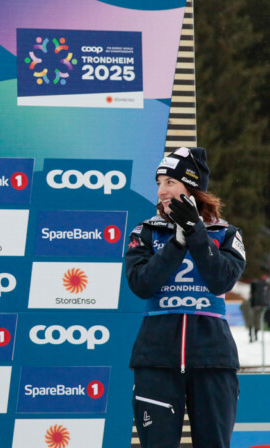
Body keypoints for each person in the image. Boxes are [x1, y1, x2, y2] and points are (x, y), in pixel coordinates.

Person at [125, 147, 246, 448]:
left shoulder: (227, 234)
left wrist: (196, 234)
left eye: (170, 182)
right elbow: (141, 284)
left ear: (192, 188)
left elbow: (222, 279)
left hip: (213, 361)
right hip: (156, 361)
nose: (161, 190)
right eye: (159, 183)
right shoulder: (146, 232)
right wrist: (176, 244)